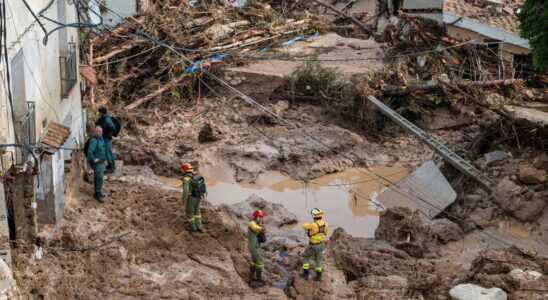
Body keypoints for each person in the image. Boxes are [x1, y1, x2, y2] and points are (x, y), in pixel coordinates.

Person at [301, 208, 328, 281]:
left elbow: (303, 226)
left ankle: (305, 274)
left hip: (313, 245)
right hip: (321, 244)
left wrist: (310, 224)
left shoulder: (312, 225)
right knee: (319, 260)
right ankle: (319, 276)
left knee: (306, 257)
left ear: (313, 216)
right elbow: (325, 233)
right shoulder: (325, 223)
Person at [181, 162, 204, 232]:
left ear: (185, 170)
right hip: (198, 197)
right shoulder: (195, 176)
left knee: (190, 213)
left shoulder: (186, 179)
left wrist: (184, 201)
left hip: (191, 198)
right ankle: (199, 227)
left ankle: (193, 227)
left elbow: (186, 190)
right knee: (197, 212)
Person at [86, 126, 106, 203]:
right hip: (97, 162)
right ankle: (97, 194)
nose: (101, 133)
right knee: (99, 177)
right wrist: (94, 160)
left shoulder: (100, 139)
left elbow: (103, 149)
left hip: (101, 161)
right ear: (95, 132)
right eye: (99, 132)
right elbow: (89, 152)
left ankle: (99, 191)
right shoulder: (94, 140)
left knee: (99, 177)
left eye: (101, 131)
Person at [95, 107, 116, 173]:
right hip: (106, 136)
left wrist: (110, 134)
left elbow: (113, 127)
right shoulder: (104, 117)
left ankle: (111, 167)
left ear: (102, 113)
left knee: (106, 152)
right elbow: (102, 123)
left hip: (106, 137)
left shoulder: (107, 119)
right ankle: (113, 164)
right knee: (109, 151)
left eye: (100, 113)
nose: (99, 114)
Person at [248, 210, 266, 283]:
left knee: (254, 261)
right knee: (260, 261)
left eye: (262, 217)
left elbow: (264, 232)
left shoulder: (259, 224)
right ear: (255, 217)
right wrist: (261, 227)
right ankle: (259, 279)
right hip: (253, 246)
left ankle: (250, 278)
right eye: (259, 217)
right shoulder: (251, 223)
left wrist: (262, 227)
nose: (261, 218)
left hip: (256, 245)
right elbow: (255, 227)